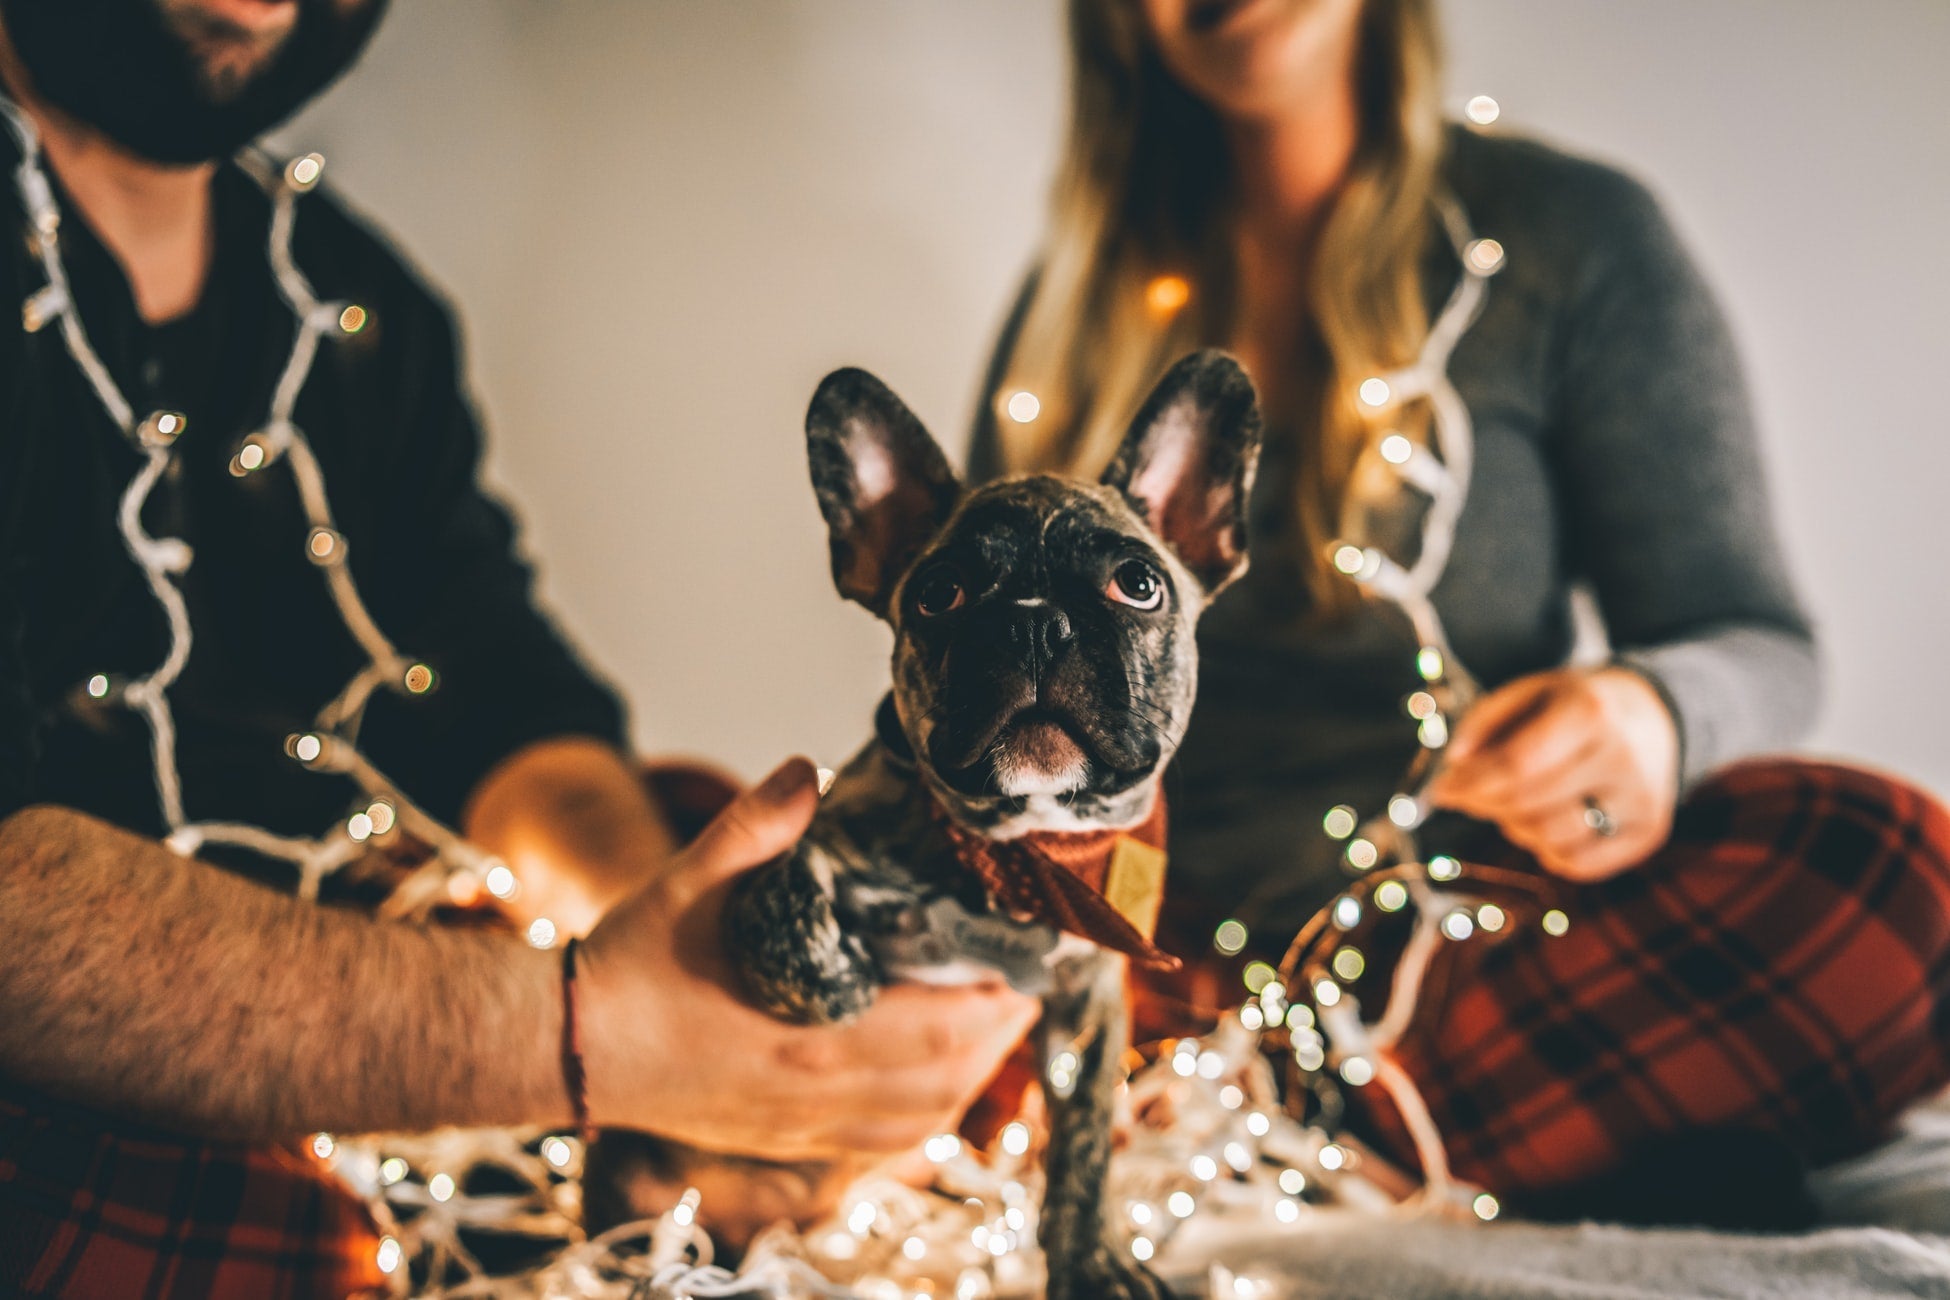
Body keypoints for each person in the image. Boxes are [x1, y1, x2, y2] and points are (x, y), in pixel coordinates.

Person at [0, 1, 1036, 1294]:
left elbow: (495, 693)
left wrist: (695, 973)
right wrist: (590, 1037)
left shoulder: (349, 302)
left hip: (410, 1042)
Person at [970, 0, 1950, 1225]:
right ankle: (1404, 1131)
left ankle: (1283, 1131)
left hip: (1457, 932)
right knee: (728, 870)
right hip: (1135, 955)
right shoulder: (1074, 313)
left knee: (1889, 863)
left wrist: (1653, 714)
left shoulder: (1561, 243)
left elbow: (1753, 635)